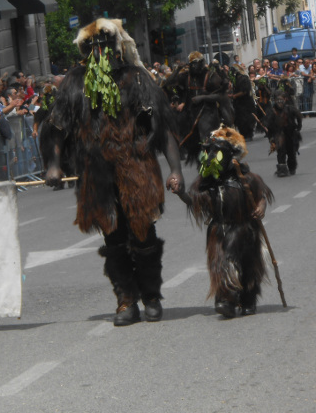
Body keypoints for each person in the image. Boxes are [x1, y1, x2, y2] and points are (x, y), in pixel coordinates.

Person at [40, 18, 184, 326]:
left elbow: (163, 128)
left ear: (116, 46)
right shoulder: (74, 82)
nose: (98, 51)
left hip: (137, 166)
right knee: (114, 238)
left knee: (143, 236)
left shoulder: (137, 78)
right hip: (96, 171)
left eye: (104, 44)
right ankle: (126, 300)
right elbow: (57, 127)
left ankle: (151, 297)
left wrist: (175, 170)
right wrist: (53, 165)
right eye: (91, 46)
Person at [173, 126, 273, 318]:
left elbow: (261, 196)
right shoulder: (207, 182)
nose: (211, 155)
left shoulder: (247, 178)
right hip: (219, 230)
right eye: (209, 151)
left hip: (244, 228)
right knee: (222, 263)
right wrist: (181, 193)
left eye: (216, 151)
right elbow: (195, 200)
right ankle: (225, 299)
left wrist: (261, 207)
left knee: (249, 268)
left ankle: (248, 300)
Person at [264, 89, 302, 177]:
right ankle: (282, 169)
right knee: (281, 151)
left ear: (285, 100)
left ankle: (292, 167)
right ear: (274, 100)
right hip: (279, 134)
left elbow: (299, 116)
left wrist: (299, 126)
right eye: (277, 100)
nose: (279, 102)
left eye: (281, 100)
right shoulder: (272, 112)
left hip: (290, 134)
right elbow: (269, 126)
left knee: (291, 152)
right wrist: (271, 137)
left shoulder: (290, 109)